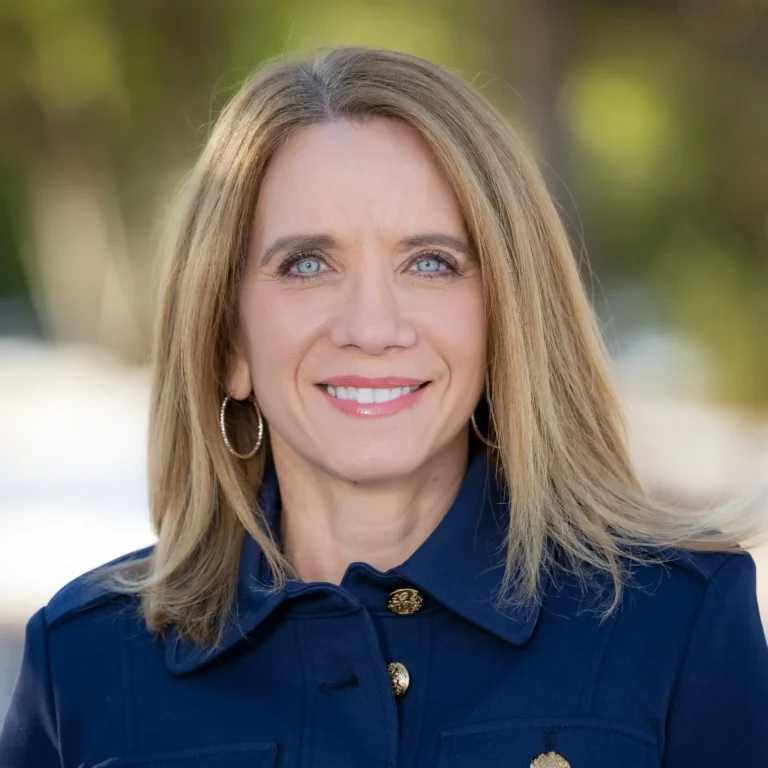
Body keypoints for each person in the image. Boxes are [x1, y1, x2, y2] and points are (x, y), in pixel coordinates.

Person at [1, 46, 766, 768]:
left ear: (508, 320)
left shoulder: (675, 625)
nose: (372, 329)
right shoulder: (85, 663)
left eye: (431, 262)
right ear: (227, 340)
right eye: (307, 264)